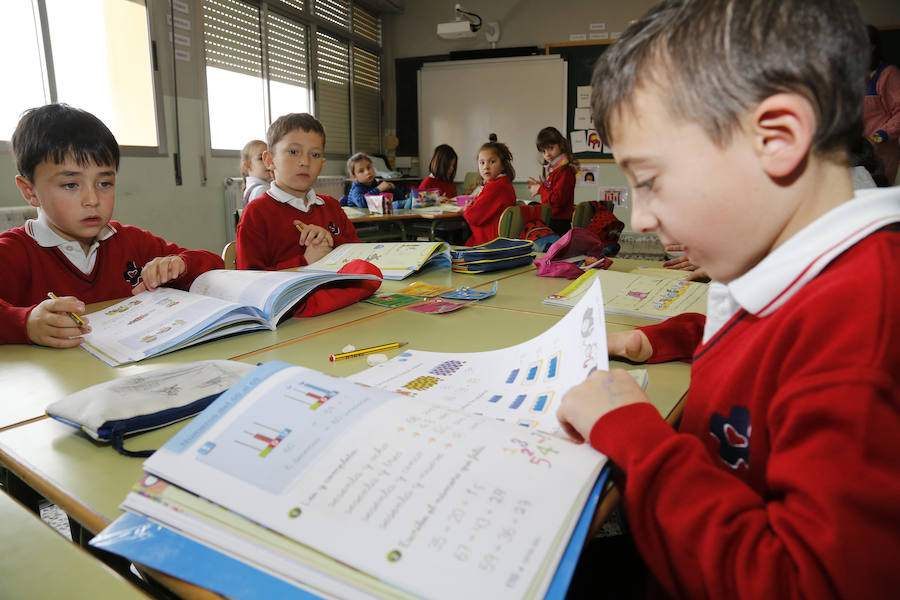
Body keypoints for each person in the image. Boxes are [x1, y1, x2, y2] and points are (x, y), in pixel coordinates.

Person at [557, 1, 900, 598]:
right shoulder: (805, 271)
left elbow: (801, 582)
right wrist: (662, 338)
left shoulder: (865, 327)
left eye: (651, 180)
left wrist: (636, 439)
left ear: (777, 138)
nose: (640, 215)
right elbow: (761, 331)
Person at [0, 104, 223, 347]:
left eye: (104, 183)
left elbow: (214, 265)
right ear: (29, 190)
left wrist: (180, 265)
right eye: (70, 185)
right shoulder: (15, 252)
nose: (92, 199)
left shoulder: (129, 241)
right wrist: (26, 323)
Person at [236, 113, 360, 270]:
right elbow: (248, 281)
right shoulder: (256, 213)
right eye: (293, 152)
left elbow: (359, 255)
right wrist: (305, 262)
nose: (305, 162)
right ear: (269, 160)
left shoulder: (331, 206)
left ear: (321, 164)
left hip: (340, 291)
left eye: (314, 155)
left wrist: (330, 240)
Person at [463, 134, 517, 246]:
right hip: (500, 242)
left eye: (492, 162)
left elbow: (473, 217)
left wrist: (467, 208)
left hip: (488, 244)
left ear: (503, 165)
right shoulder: (505, 184)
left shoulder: (494, 187)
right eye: (482, 162)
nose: (486, 167)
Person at [864, 24, 900, 184]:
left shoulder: (888, 75)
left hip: (881, 154)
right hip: (859, 153)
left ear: (872, 47)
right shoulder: (853, 77)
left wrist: (879, 137)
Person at [527, 126, 577, 236]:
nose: (547, 154)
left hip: (559, 223)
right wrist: (542, 187)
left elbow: (558, 200)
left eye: (550, 148)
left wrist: (541, 189)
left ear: (561, 145)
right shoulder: (555, 170)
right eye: (543, 151)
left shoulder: (565, 171)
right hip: (552, 219)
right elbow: (553, 194)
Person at [239, 139, 272, 207]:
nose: (268, 161)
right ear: (248, 165)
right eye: (261, 158)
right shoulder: (262, 191)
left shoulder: (251, 187)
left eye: (270, 157)